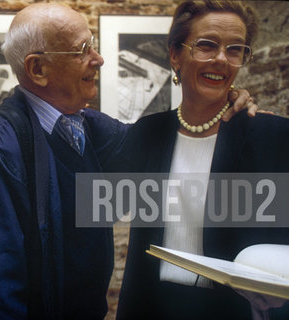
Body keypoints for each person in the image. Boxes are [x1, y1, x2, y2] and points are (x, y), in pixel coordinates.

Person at [0, 3, 257, 319]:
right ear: (37, 70)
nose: (98, 60)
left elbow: (157, 142)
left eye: (93, 46)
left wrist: (222, 103)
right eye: (82, 50)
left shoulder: (86, 126)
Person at [112, 1, 289, 319]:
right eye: (206, 45)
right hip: (149, 305)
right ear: (175, 54)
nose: (221, 58)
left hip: (234, 310)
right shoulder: (146, 134)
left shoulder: (271, 135)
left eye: (235, 49)